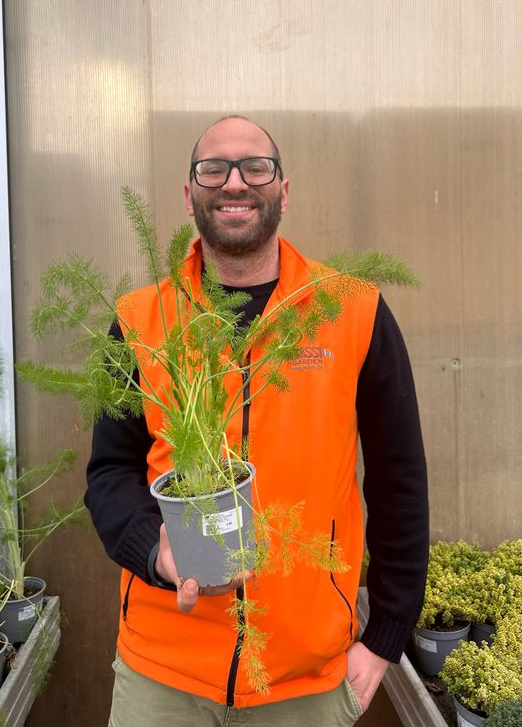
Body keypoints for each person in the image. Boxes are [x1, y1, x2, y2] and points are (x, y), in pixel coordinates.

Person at [85, 116, 429, 727]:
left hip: (303, 678)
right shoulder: (142, 320)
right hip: (162, 672)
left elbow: (399, 478)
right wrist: (156, 555)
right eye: (213, 169)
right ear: (189, 194)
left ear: (283, 189)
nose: (235, 183)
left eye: (255, 167)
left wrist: (386, 639)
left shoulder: (353, 311)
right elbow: (110, 472)